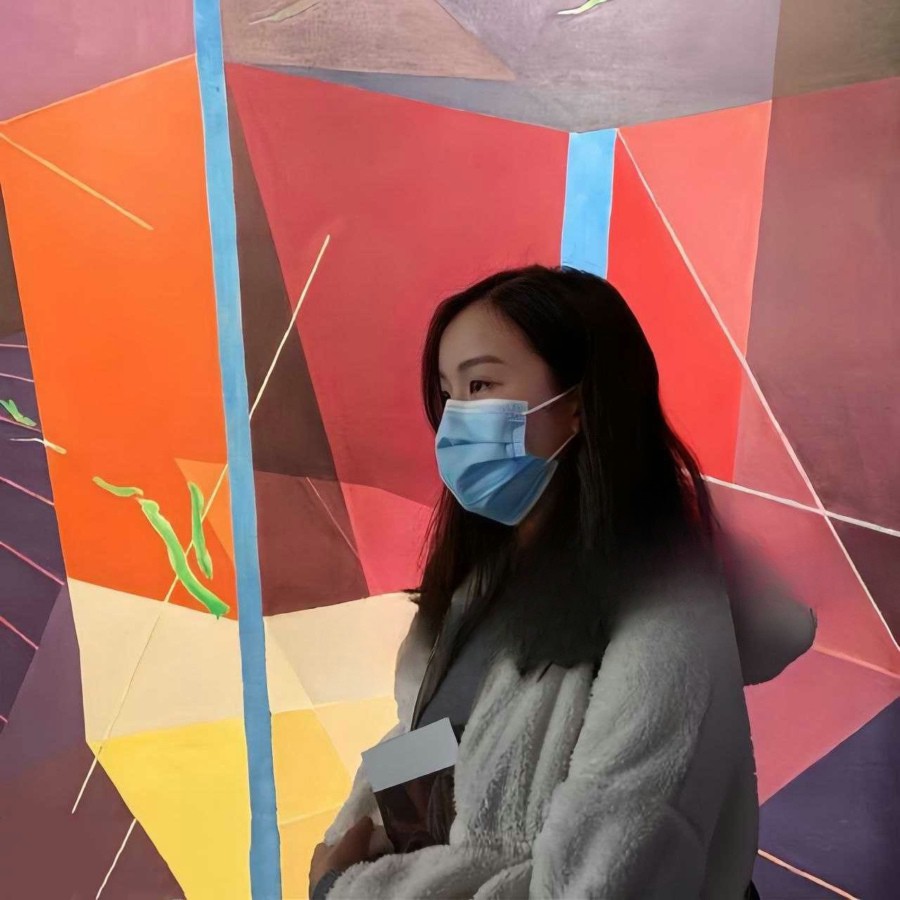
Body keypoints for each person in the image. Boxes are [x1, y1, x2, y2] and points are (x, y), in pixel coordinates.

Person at [309, 265, 816, 899]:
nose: (456, 421)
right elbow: (430, 739)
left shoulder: (667, 610)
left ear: (577, 403)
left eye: (482, 384)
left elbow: (606, 876)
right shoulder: (483, 583)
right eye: (448, 393)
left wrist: (351, 890)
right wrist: (350, 840)